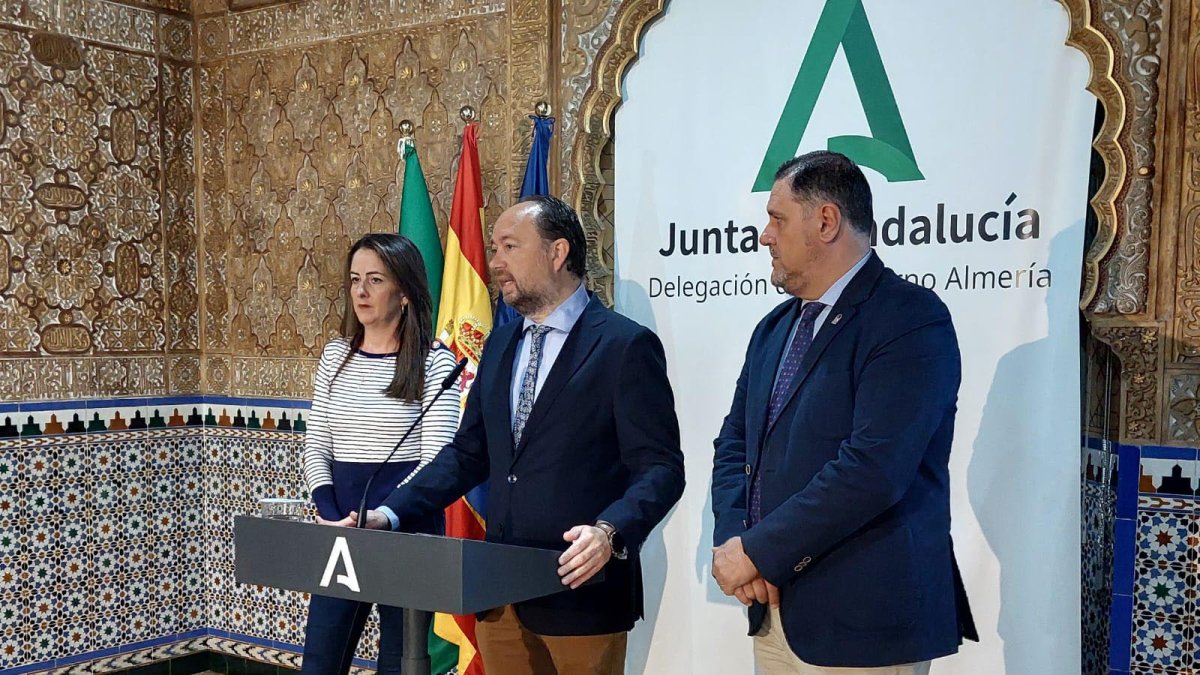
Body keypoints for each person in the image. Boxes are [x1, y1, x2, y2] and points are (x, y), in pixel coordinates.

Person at [354, 194, 685, 675]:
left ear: (557, 252)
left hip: (581, 594)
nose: (495, 263)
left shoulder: (624, 345)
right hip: (500, 597)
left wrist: (609, 532)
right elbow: (468, 453)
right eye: (493, 249)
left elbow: (661, 469)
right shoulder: (502, 342)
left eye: (509, 247)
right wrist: (389, 513)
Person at [710, 151, 977, 674]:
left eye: (777, 219)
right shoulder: (774, 328)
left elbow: (873, 470)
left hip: (863, 623)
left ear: (826, 221)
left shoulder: (908, 318)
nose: (765, 236)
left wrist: (759, 551)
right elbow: (736, 443)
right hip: (773, 610)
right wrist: (735, 542)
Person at [300, 233, 461, 674]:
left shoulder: (435, 362)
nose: (361, 292)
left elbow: (436, 461)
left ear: (404, 292)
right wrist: (330, 513)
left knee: (400, 663)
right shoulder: (336, 355)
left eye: (375, 280)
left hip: (406, 530)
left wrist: (385, 515)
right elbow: (317, 445)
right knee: (320, 661)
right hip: (341, 528)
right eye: (355, 280)